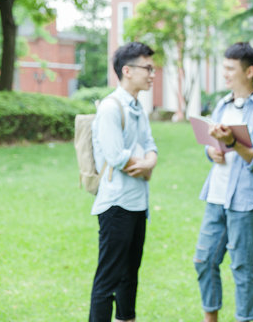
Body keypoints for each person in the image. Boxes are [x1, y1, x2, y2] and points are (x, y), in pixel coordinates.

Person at [194, 42, 253, 322]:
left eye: (231, 69)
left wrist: (234, 142)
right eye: (225, 67)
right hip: (215, 196)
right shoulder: (222, 104)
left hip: (244, 201)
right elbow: (211, 146)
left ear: (250, 71)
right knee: (204, 261)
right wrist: (212, 150)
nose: (225, 74)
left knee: (242, 267)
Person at [89, 42, 159, 322]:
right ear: (127, 70)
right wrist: (146, 166)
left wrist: (148, 164)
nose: (152, 74)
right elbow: (116, 157)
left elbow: (150, 144)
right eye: (148, 68)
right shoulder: (110, 107)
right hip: (116, 204)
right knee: (108, 279)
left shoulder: (137, 107)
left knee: (130, 276)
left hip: (137, 204)